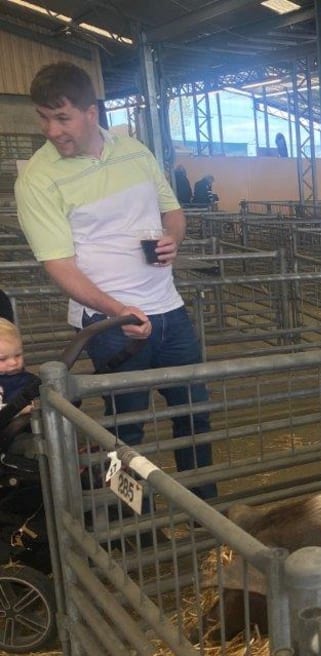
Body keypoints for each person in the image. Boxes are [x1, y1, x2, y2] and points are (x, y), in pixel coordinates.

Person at [14, 62, 216, 500]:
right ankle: (126, 521)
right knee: (125, 427)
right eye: (44, 117)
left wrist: (172, 239)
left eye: (62, 117)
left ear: (91, 112)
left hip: (169, 309)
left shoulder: (134, 151)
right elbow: (59, 265)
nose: (52, 130)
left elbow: (173, 212)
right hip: (109, 325)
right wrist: (116, 311)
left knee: (194, 410)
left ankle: (205, 508)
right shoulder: (38, 178)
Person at [0, 319, 35, 421]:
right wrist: (19, 410)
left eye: (18, 355)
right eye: (2, 359)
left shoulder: (24, 376)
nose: (14, 362)